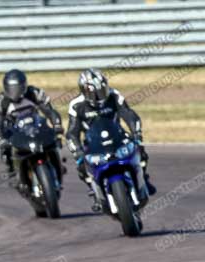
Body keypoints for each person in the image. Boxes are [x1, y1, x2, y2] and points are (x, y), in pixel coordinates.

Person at [66, 68, 156, 199]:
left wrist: (137, 135)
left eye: (101, 91)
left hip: (117, 135)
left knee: (141, 153)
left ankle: (143, 179)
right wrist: (78, 153)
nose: (99, 96)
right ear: (84, 92)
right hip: (92, 142)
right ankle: (95, 191)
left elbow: (130, 115)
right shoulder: (76, 105)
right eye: (94, 93)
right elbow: (72, 133)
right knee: (81, 168)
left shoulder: (114, 95)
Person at [0, 69, 64, 186]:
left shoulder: (34, 93)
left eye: (17, 88)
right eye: (11, 89)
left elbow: (49, 111)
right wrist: (1, 140)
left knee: (55, 139)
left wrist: (57, 125)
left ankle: (57, 161)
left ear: (24, 86)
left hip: (35, 126)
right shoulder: (1, 102)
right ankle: (13, 170)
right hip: (15, 131)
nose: (14, 93)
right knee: (5, 148)